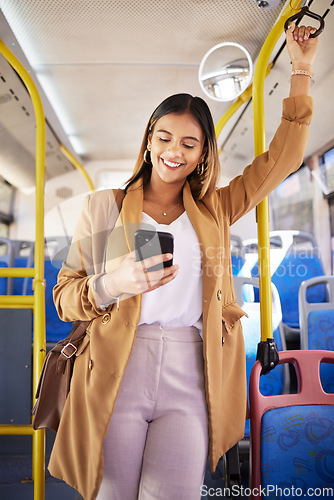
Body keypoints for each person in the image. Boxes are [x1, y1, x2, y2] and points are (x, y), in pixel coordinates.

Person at [48, 22, 318, 500]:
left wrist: (301, 70)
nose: (174, 151)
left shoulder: (215, 209)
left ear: (201, 155)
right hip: (117, 366)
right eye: (165, 138)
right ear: (149, 141)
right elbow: (66, 298)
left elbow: (283, 158)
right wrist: (113, 283)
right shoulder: (104, 207)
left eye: (188, 144)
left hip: (192, 368)